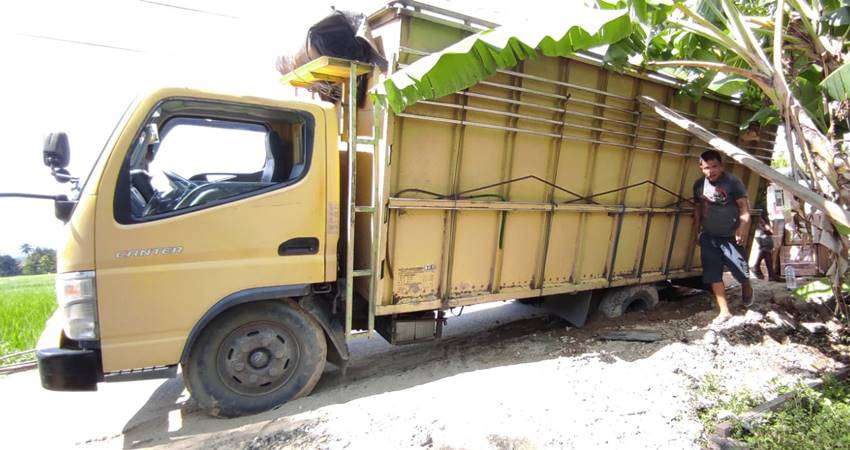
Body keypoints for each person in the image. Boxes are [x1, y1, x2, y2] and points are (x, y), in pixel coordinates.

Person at [692, 150, 753, 323]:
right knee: (713, 273)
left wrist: (742, 228)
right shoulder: (698, 185)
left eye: (714, 166)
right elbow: (697, 209)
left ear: (722, 166)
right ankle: (724, 311)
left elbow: (744, 208)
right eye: (706, 168)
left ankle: (746, 286)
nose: (711, 171)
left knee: (740, 270)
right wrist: (696, 231)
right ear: (701, 168)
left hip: (730, 236)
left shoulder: (733, 182)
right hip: (709, 236)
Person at [752, 212, 776, 281]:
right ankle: (756, 266)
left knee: (766, 249)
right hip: (758, 221)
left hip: (759, 221)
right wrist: (764, 224)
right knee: (767, 244)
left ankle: (771, 274)